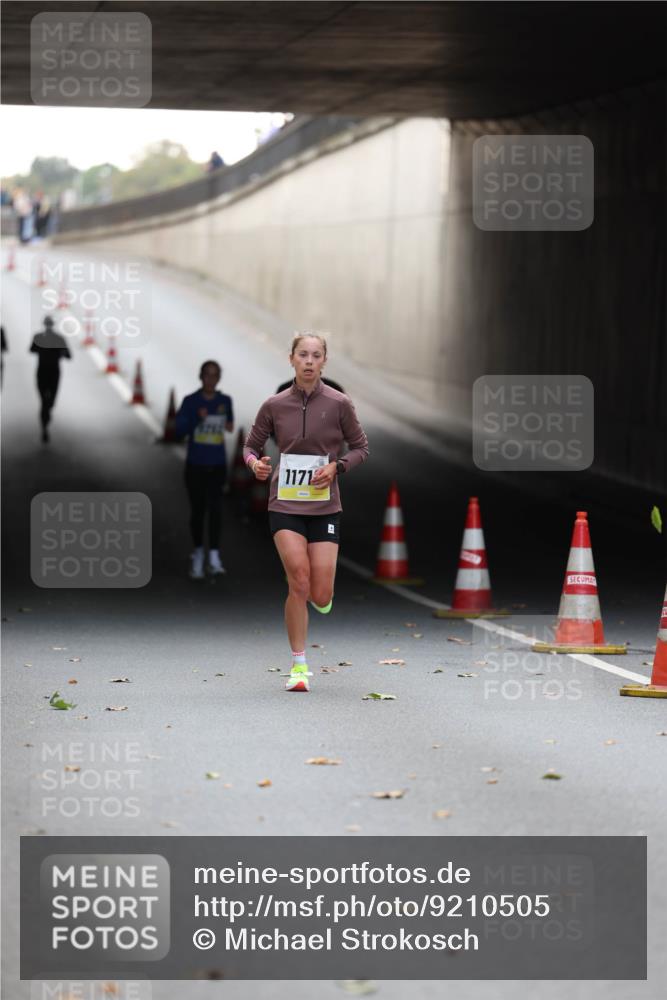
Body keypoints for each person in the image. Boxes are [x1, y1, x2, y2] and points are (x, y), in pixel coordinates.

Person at [244, 333, 369, 693]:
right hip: (284, 504)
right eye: (303, 355)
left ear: (324, 361)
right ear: (292, 359)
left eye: (316, 355)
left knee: (321, 593)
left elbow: (361, 447)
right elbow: (250, 447)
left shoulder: (340, 403)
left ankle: (322, 599)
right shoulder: (274, 405)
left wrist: (337, 468)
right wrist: (255, 466)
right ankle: (299, 666)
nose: (309, 361)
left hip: (325, 506)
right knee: (297, 579)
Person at [175, 361, 234, 579]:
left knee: (216, 510)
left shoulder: (224, 401)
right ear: (201, 377)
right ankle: (199, 553)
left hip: (217, 464)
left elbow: (229, 424)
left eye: (215, 375)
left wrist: (222, 423)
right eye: (207, 375)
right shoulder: (190, 402)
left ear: (219, 378)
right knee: (198, 511)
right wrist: (196, 421)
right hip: (196, 465)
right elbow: (178, 431)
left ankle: (215, 556)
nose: (211, 379)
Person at [29, 316, 71, 442]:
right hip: (51, 373)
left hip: (45, 372)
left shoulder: (41, 337)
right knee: (47, 402)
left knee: (46, 402)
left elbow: (32, 350)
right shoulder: (57, 338)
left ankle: (45, 423)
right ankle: (44, 426)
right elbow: (68, 355)